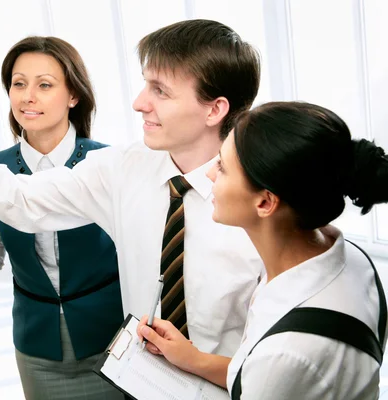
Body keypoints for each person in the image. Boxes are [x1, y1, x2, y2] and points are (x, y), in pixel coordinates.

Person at [0, 19, 264, 362]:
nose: (139, 102)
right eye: (145, 84)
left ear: (215, 109)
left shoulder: (267, 199)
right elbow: (23, 199)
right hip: (137, 378)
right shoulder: (123, 168)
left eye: (160, 91)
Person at [137, 101, 388, 399]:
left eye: (223, 167)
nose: (210, 175)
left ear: (265, 203)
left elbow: (272, 372)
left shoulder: (286, 351)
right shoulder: (352, 259)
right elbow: (262, 374)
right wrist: (196, 360)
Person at [0, 36, 124, 400]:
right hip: (37, 350)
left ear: (74, 96)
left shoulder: (107, 163)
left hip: (113, 343)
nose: (27, 96)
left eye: (44, 85)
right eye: (18, 84)